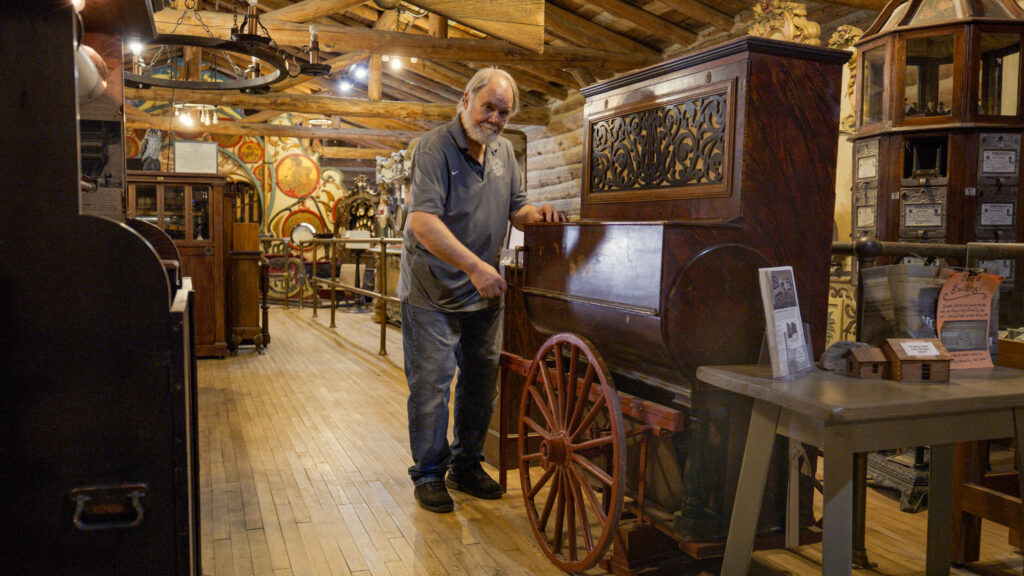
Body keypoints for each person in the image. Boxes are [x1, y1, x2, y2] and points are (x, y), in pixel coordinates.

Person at [397, 67, 565, 513]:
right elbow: (422, 222)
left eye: (503, 112)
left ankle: (465, 465)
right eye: (488, 106)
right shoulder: (433, 147)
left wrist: (538, 213)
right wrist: (475, 267)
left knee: (479, 382)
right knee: (432, 385)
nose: (494, 118)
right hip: (432, 290)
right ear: (466, 98)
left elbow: (517, 207)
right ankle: (429, 474)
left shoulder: (504, 152)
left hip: (483, 291)